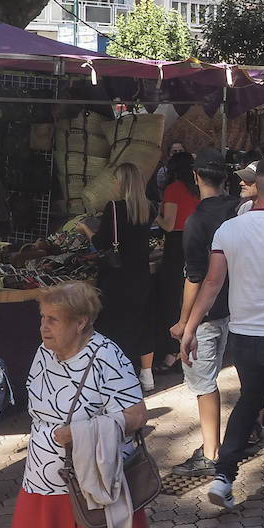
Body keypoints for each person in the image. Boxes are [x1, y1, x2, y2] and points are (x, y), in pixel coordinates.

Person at [7, 281, 156, 528]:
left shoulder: (107, 355)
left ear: (81, 322)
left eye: (53, 320)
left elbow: (137, 414)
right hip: (43, 471)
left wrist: (84, 432)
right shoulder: (44, 351)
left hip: (97, 474)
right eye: (43, 318)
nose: (44, 327)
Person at [180, 156, 264, 528]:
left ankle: (223, 476)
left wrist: (189, 327)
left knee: (248, 402)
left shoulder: (229, 230)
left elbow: (211, 283)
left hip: (242, 337)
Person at [168, 157, 240, 478]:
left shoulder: (197, 220)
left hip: (209, 313)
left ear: (196, 176)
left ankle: (211, 453)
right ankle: (240, 435)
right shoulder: (239, 209)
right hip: (239, 308)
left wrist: (185, 322)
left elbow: (195, 277)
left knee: (204, 383)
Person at [82, 163, 157, 391]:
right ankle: (147, 375)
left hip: (117, 276)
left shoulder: (114, 208)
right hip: (141, 275)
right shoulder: (149, 208)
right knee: (141, 322)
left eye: (115, 180)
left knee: (114, 325)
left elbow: (102, 243)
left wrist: (85, 229)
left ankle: (118, 376)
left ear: (121, 183)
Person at [155, 151, 202, 373]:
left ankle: (172, 352)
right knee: (190, 296)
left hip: (176, 245)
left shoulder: (173, 190)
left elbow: (169, 224)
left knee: (171, 298)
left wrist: (154, 212)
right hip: (194, 243)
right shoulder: (196, 190)